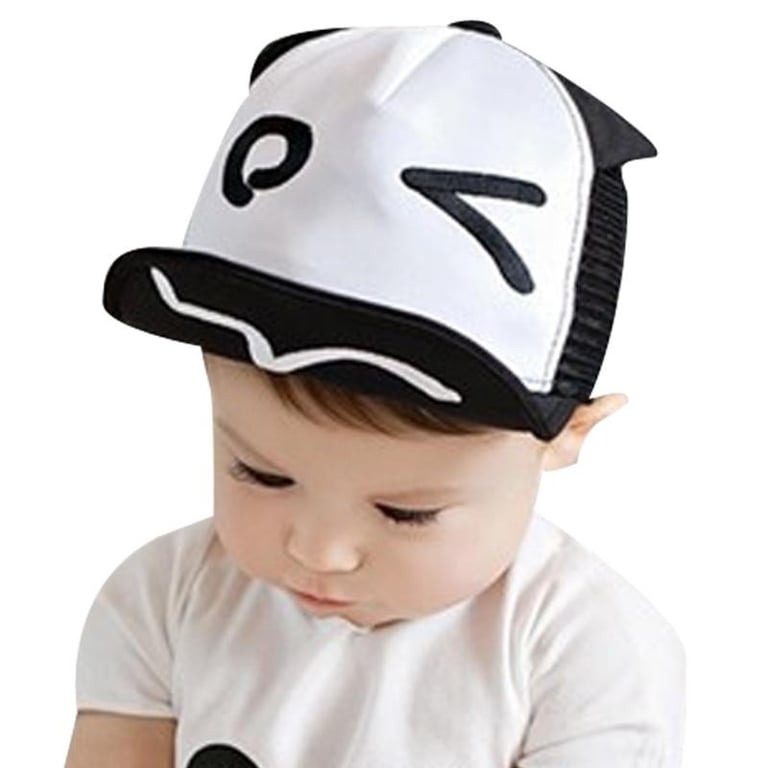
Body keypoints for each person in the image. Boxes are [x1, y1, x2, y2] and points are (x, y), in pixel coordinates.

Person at [65, 20, 686, 768]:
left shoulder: (587, 649)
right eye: (259, 473)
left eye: (406, 512)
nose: (319, 551)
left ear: (568, 433)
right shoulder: (162, 599)